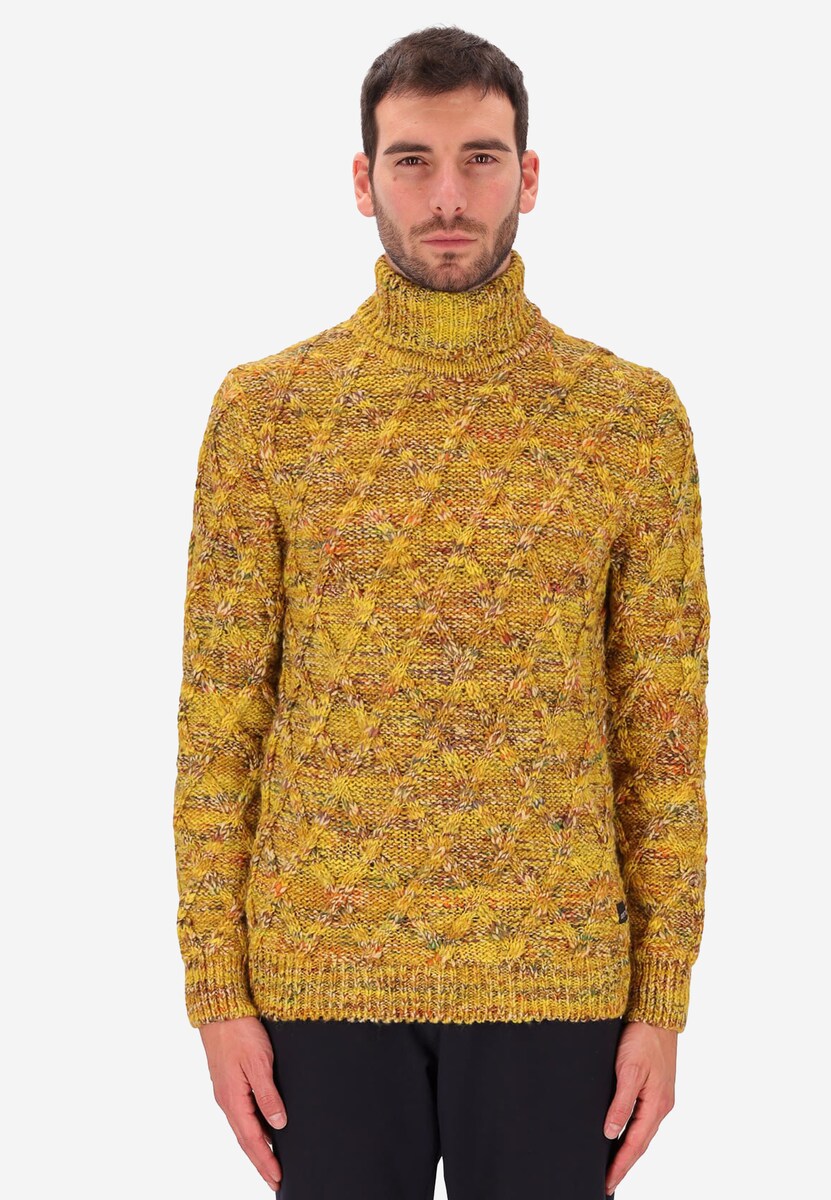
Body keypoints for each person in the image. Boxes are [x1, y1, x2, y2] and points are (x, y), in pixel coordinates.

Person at [172, 24, 711, 1200]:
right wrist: (216, 992)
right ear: (363, 181)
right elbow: (220, 726)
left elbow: (662, 738)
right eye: (413, 161)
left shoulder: (629, 420)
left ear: (531, 175)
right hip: (318, 981)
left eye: (480, 157)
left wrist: (663, 999)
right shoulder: (266, 413)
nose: (449, 196)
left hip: (557, 981)